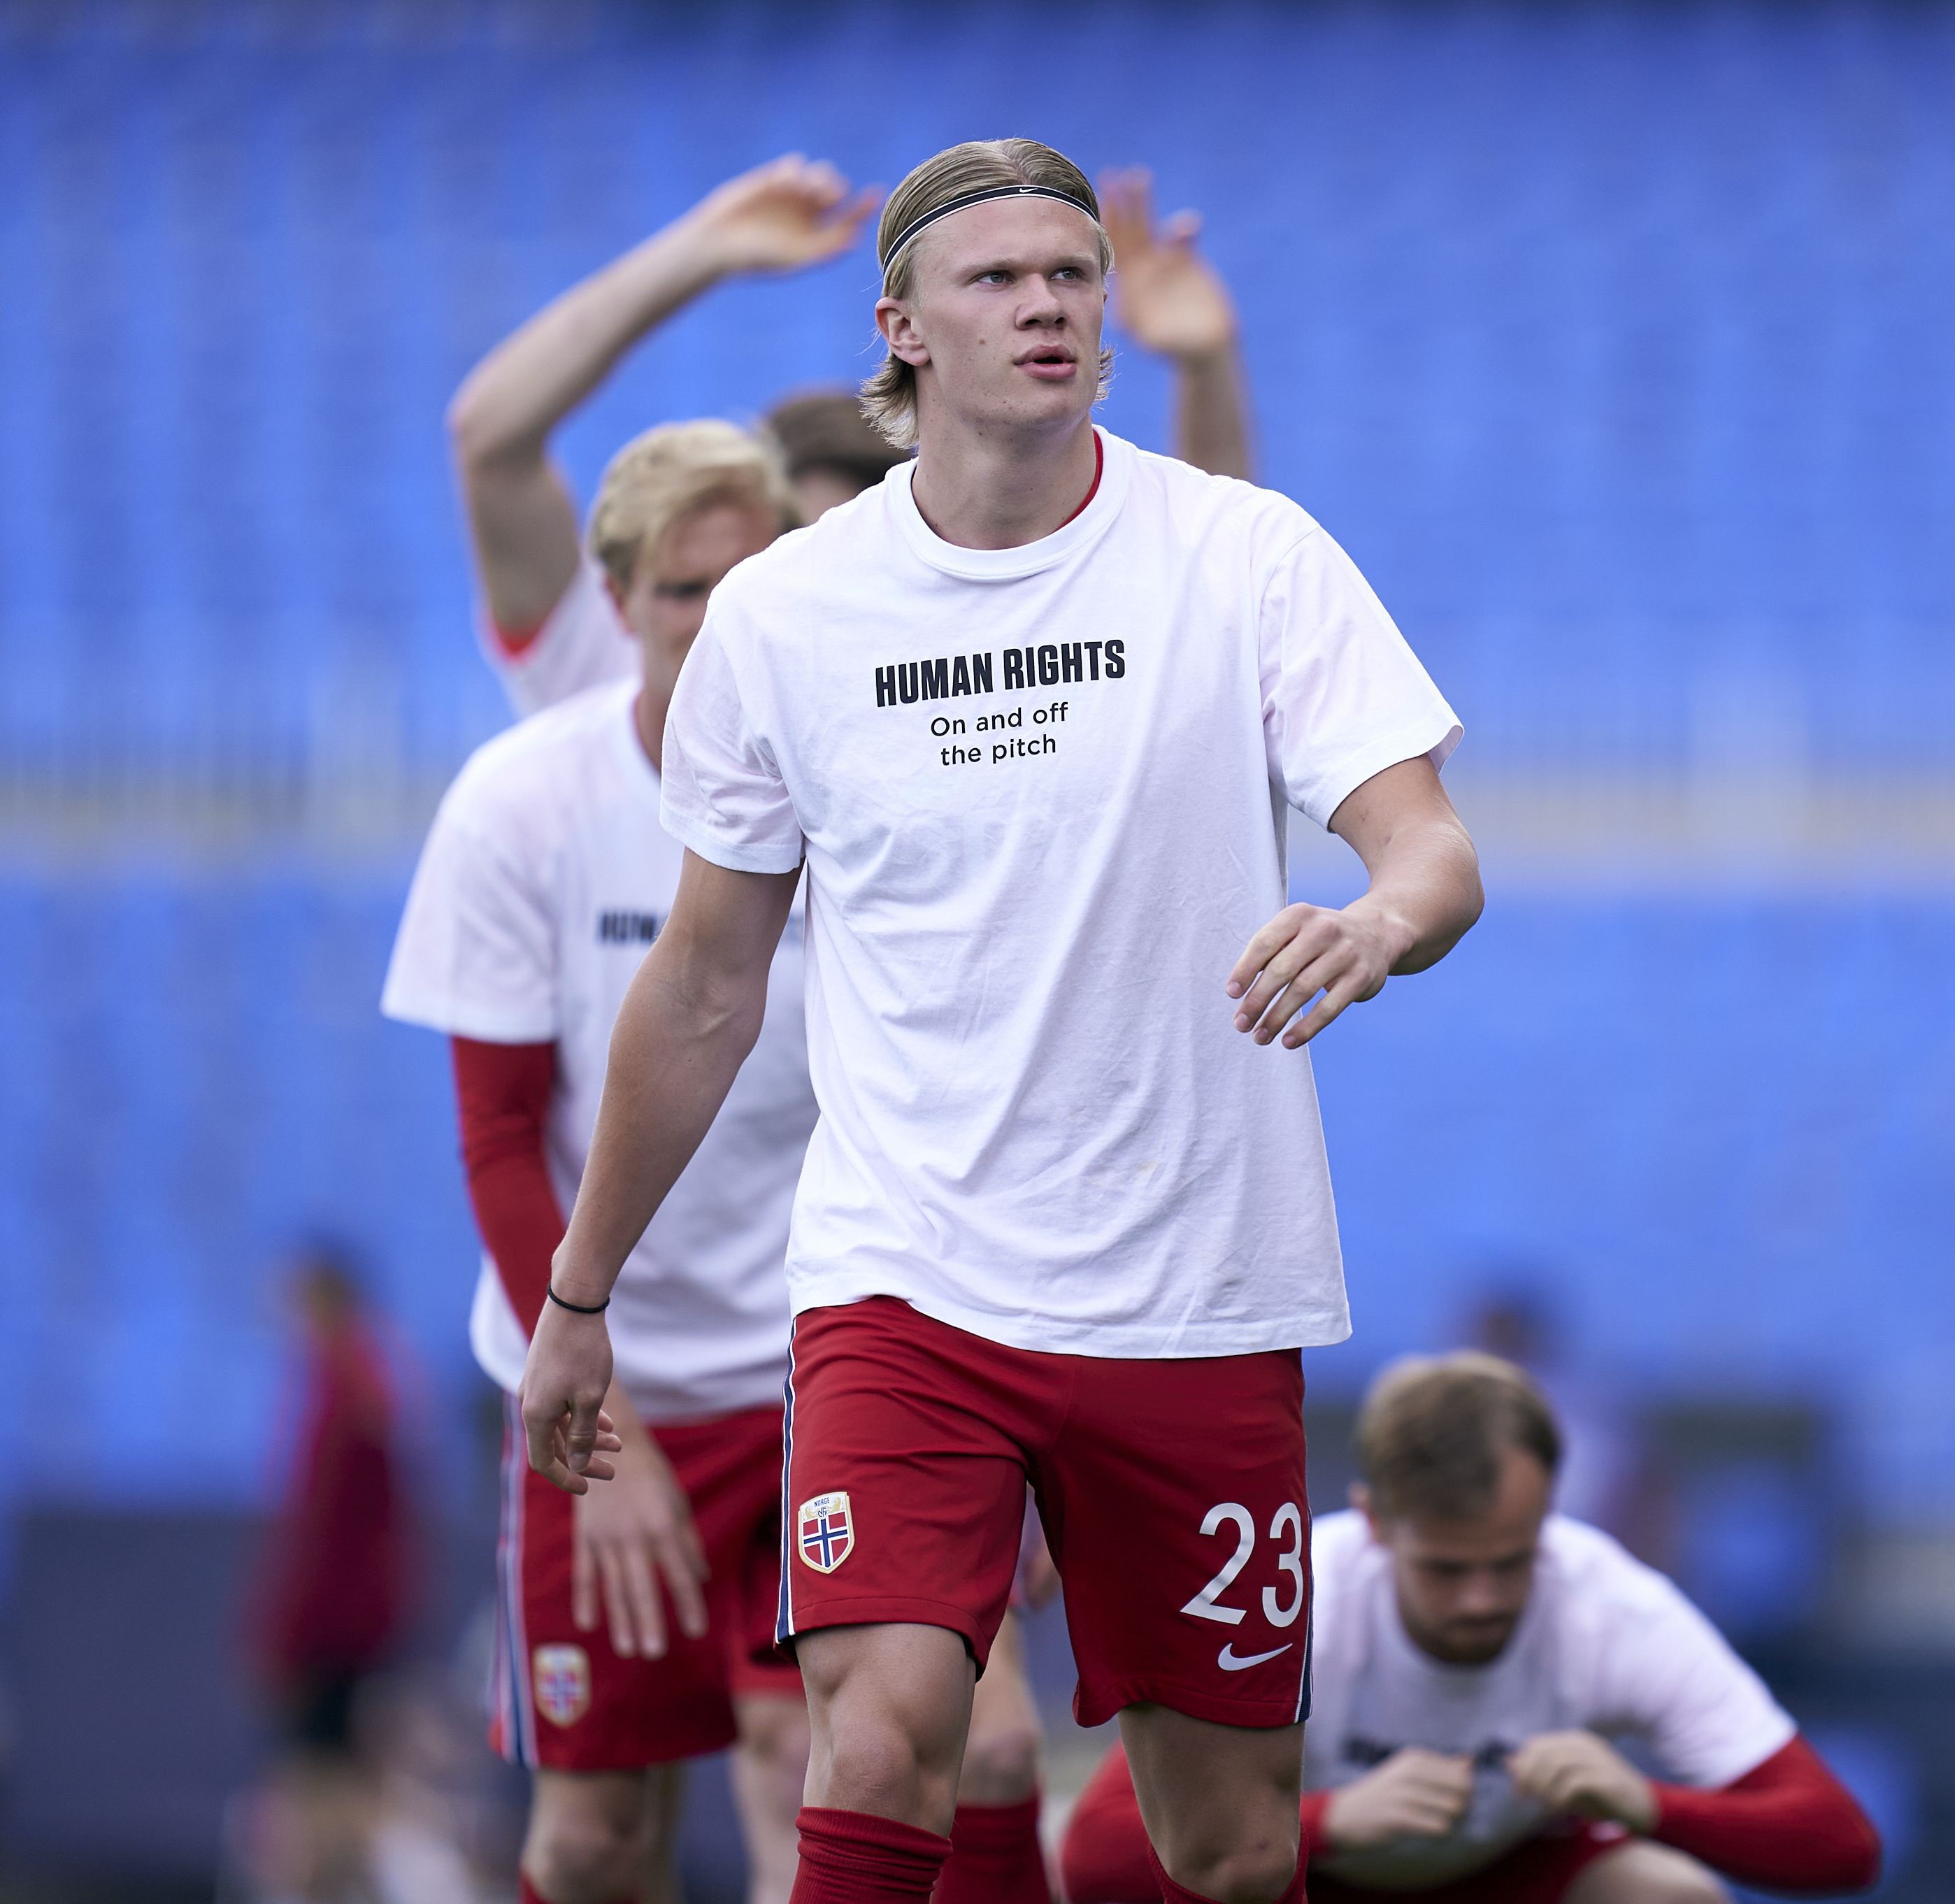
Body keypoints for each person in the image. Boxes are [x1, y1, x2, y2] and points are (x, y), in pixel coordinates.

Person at [513, 133, 1482, 1904]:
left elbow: (1429, 849)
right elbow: (708, 981)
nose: (1044, 304)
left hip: (1193, 1283)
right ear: (903, 329)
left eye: (1069, 278)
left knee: (1231, 1845)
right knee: (877, 1736)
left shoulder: (1243, 553)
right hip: (907, 1276)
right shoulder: (789, 615)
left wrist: (1378, 924)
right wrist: (582, 1300)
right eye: (995, 279)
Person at [383, 420, 814, 1904]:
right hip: (604, 1394)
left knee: (817, 1782)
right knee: (591, 1840)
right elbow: (501, 1134)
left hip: (820, 1378)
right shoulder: (524, 801)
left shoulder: (865, 791)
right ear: (618, 600)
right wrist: (602, 1410)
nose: (715, 619)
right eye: (684, 588)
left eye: (749, 583)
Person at [447, 155, 1258, 721]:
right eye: (770, 556)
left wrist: (1206, 366)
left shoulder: (932, 693)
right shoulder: (617, 668)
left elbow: (1191, 575)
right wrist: (704, 250)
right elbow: (490, 440)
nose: (732, 604)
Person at [1055, 1354, 1881, 1904]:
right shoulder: (1296, 1595)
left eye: (1513, 1560)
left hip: (1506, 1875)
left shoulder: (1612, 1605)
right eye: (1447, 1568)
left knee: (1672, 1894)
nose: (1483, 1598)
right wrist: (1331, 1821)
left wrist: (1646, 1801)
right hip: (1308, 1878)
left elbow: (1839, 1842)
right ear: (1376, 1522)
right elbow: (1094, 1854)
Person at [240, 1248, 421, 1904]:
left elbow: (321, 1534)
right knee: (341, 1773)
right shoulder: (372, 1381)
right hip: (361, 1617)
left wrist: (287, 1635)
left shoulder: (341, 1393)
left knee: (323, 1780)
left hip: (334, 1625)